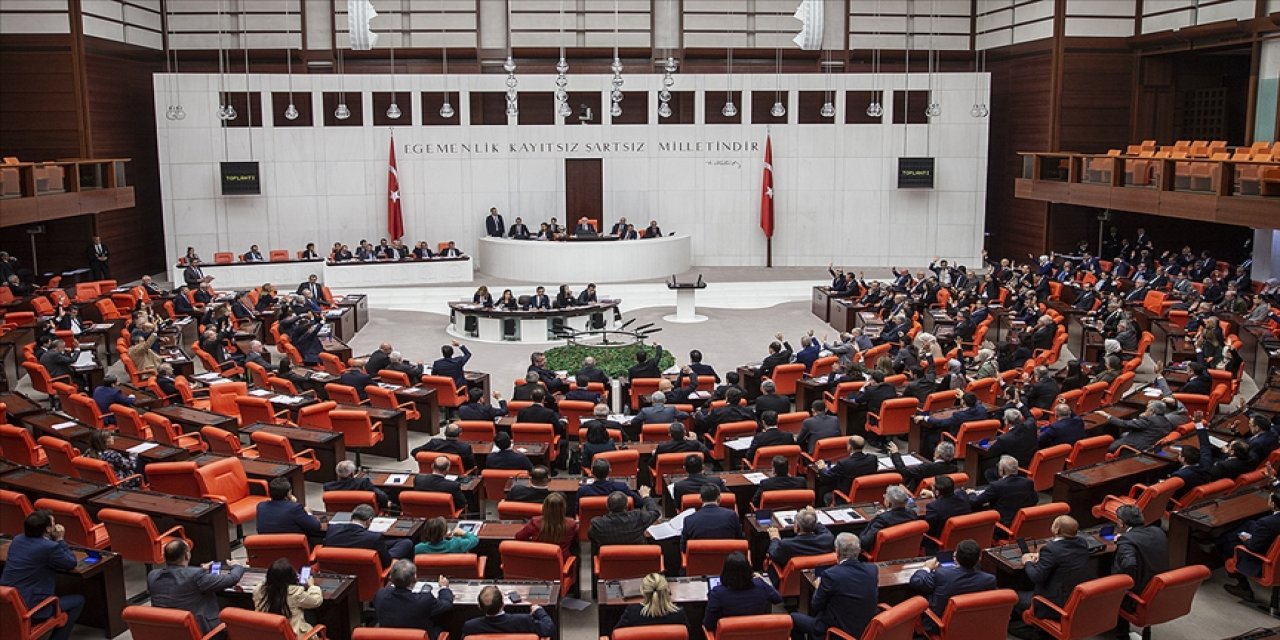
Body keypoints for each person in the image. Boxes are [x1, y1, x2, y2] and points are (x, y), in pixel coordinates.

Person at [0, 511, 85, 640]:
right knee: (78, 600)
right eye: (53, 524)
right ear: (47, 529)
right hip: (31, 608)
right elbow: (70, 562)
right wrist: (60, 539)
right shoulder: (49, 547)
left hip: (7, 605)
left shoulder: (17, 540)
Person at [789, 533, 877, 640]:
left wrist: (819, 587)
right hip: (865, 628)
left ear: (837, 551)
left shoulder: (831, 575)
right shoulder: (872, 570)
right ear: (858, 551)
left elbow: (816, 605)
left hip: (837, 632)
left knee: (793, 618)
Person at [147, 539, 245, 635]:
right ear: (186, 555)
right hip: (201, 632)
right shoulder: (196, 576)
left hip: (167, 633)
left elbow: (180, 579)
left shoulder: (152, 576)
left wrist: (199, 570)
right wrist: (237, 566)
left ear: (165, 557)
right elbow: (232, 578)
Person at [1013, 516, 1094, 626]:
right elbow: (1064, 554)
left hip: (1054, 603)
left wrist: (1027, 561)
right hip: (1075, 597)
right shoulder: (1082, 543)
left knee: (1013, 596)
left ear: (1056, 530)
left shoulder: (1051, 550)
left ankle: (1035, 628)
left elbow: (1036, 577)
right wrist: (1042, 556)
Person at [909, 539, 997, 632]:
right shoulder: (989, 580)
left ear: (955, 557)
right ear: (979, 558)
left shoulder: (942, 574)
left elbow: (916, 581)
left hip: (939, 626)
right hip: (973, 625)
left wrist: (926, 568)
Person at [1111, 504, 1169, 638]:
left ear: (1121, 522)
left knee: (1117, 590)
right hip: (1160, 589)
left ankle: (1122, 634)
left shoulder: (1127, 541)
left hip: (1138, 595)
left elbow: (1129, 565)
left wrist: (1126, 587)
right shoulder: (1157, 531)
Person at [1222, 489, 1280, 601]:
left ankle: (1244, 588)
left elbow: (1253, 547)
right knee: (1250, 524)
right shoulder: (1268, 522)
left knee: (1229, 543)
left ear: (1273, 503)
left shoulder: (1267, 523)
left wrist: (1247, 539)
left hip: (1265, 562)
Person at [374, 560, 454, 639]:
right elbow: (446, 604)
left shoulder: (380, 595)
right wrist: (444, 588)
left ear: (391, 577)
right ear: (414, 578)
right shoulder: (424, 600)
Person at [703, 551, 781, 632]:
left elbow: (708, 625)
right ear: (749, 571)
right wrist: (761, 580)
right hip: (756, 634)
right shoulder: (761, 585)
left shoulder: (717, 593)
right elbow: (777, 598)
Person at [324, 504, 414, 565]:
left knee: (401, 542)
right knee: (406, 543)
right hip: (368, 566)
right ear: (369, 520)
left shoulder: (332, 529)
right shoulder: (374, 538)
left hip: (340, 565)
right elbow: (387, 563)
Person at [253, 557, 322, 635]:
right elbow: (316, 601)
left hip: (269, 635)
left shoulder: (258, 590)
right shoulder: (295, 593)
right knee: (310, 613)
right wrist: (312, 586)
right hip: (295, 636)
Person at [461, 585, 556, 637]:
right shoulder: (524, 621)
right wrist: (539, 611)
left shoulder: (470, 627)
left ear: (479, 607)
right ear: (503, 604)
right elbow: (549, 628)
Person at [765, 507, 834, 578]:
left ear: (797, 527)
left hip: (790, 582)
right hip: (816, 579)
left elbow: (772, 554)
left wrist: (775, 538)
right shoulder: (827, 539)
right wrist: (811, 518)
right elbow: (821, 528)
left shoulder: (786, 544)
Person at [970, 455, 1038, 526]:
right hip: (1024, 523)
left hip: (1002, 525)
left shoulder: (996, 485)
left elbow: (975, 501)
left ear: (1002, 470)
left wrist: (971, 493)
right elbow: (1035, 500)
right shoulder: (1027, 482)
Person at [815, 436, 878, 505]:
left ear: (850, 447)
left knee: (826, 495)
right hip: (866, 495)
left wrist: (822, 468)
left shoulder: (844, 463)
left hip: (846, 496)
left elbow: (826, 477)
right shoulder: (872, 459)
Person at [1098, 400, 1174, 453]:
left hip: (1135, 446)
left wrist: (1107, 416)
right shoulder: (1167, 422)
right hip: (1149, 444)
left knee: (1108, 446)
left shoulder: (1149, 420)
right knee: (1123, 434)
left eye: (1147, 409)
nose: (1145, 411)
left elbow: (1124, 424)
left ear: (1152, 411)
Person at [616, 573, 689, 628]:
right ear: (667, 591)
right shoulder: (679, 614)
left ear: (643, 592)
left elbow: (617, 634)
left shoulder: (632, 612)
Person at [589, 490, 661, 547]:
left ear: (607, 506)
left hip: (610, 561)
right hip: (638, 559)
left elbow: (591, 536)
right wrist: (646, 496)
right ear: (627, 506)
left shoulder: (598, 524)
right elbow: (655, 512)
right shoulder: (638, 517)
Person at [859, 485, 919, 551]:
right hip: (905, 550)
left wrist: (875, 518)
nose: (884, 496)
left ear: (889, 503)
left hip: (882, 553)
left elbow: (864, 543)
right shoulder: (912, 513)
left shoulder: (882, 519)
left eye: (885, 496)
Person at [681, 485, 743, 550]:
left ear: (700, 499)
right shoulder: (732, 515)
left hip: (700, 559)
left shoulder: (689, 520)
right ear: (719, 498)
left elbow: (683, 547)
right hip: (730, 558)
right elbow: (740, 539)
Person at [256, 477, 322, 536]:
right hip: (293, 547)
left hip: (266, 548)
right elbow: (316, 526)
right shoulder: (295, 508)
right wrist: (309, 513)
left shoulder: (261, 506)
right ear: (288, 493)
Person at [887, 440, 957, 492]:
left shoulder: (927, 468)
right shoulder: (954, 469)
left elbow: (904, 471)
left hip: (919, 494)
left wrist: (895, 453)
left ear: (938, 454)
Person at [920, 475, 972, 540]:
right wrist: (934, 495)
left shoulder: (933, 507)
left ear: (937, 492)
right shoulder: (963, 495)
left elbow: (929, 531)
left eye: (932, 486)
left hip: (940, 541)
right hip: (964, 536)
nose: (931, 487)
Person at [323, 460, 390, 509]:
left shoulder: (328, 487)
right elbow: (383, 497)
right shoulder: (363, 483)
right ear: (352, 473)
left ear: (337, 473)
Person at [414, 516, 479, 555]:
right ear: (445, 532)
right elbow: (474, 539)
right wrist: (463, 533)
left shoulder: (418, 549)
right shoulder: (456, 544)